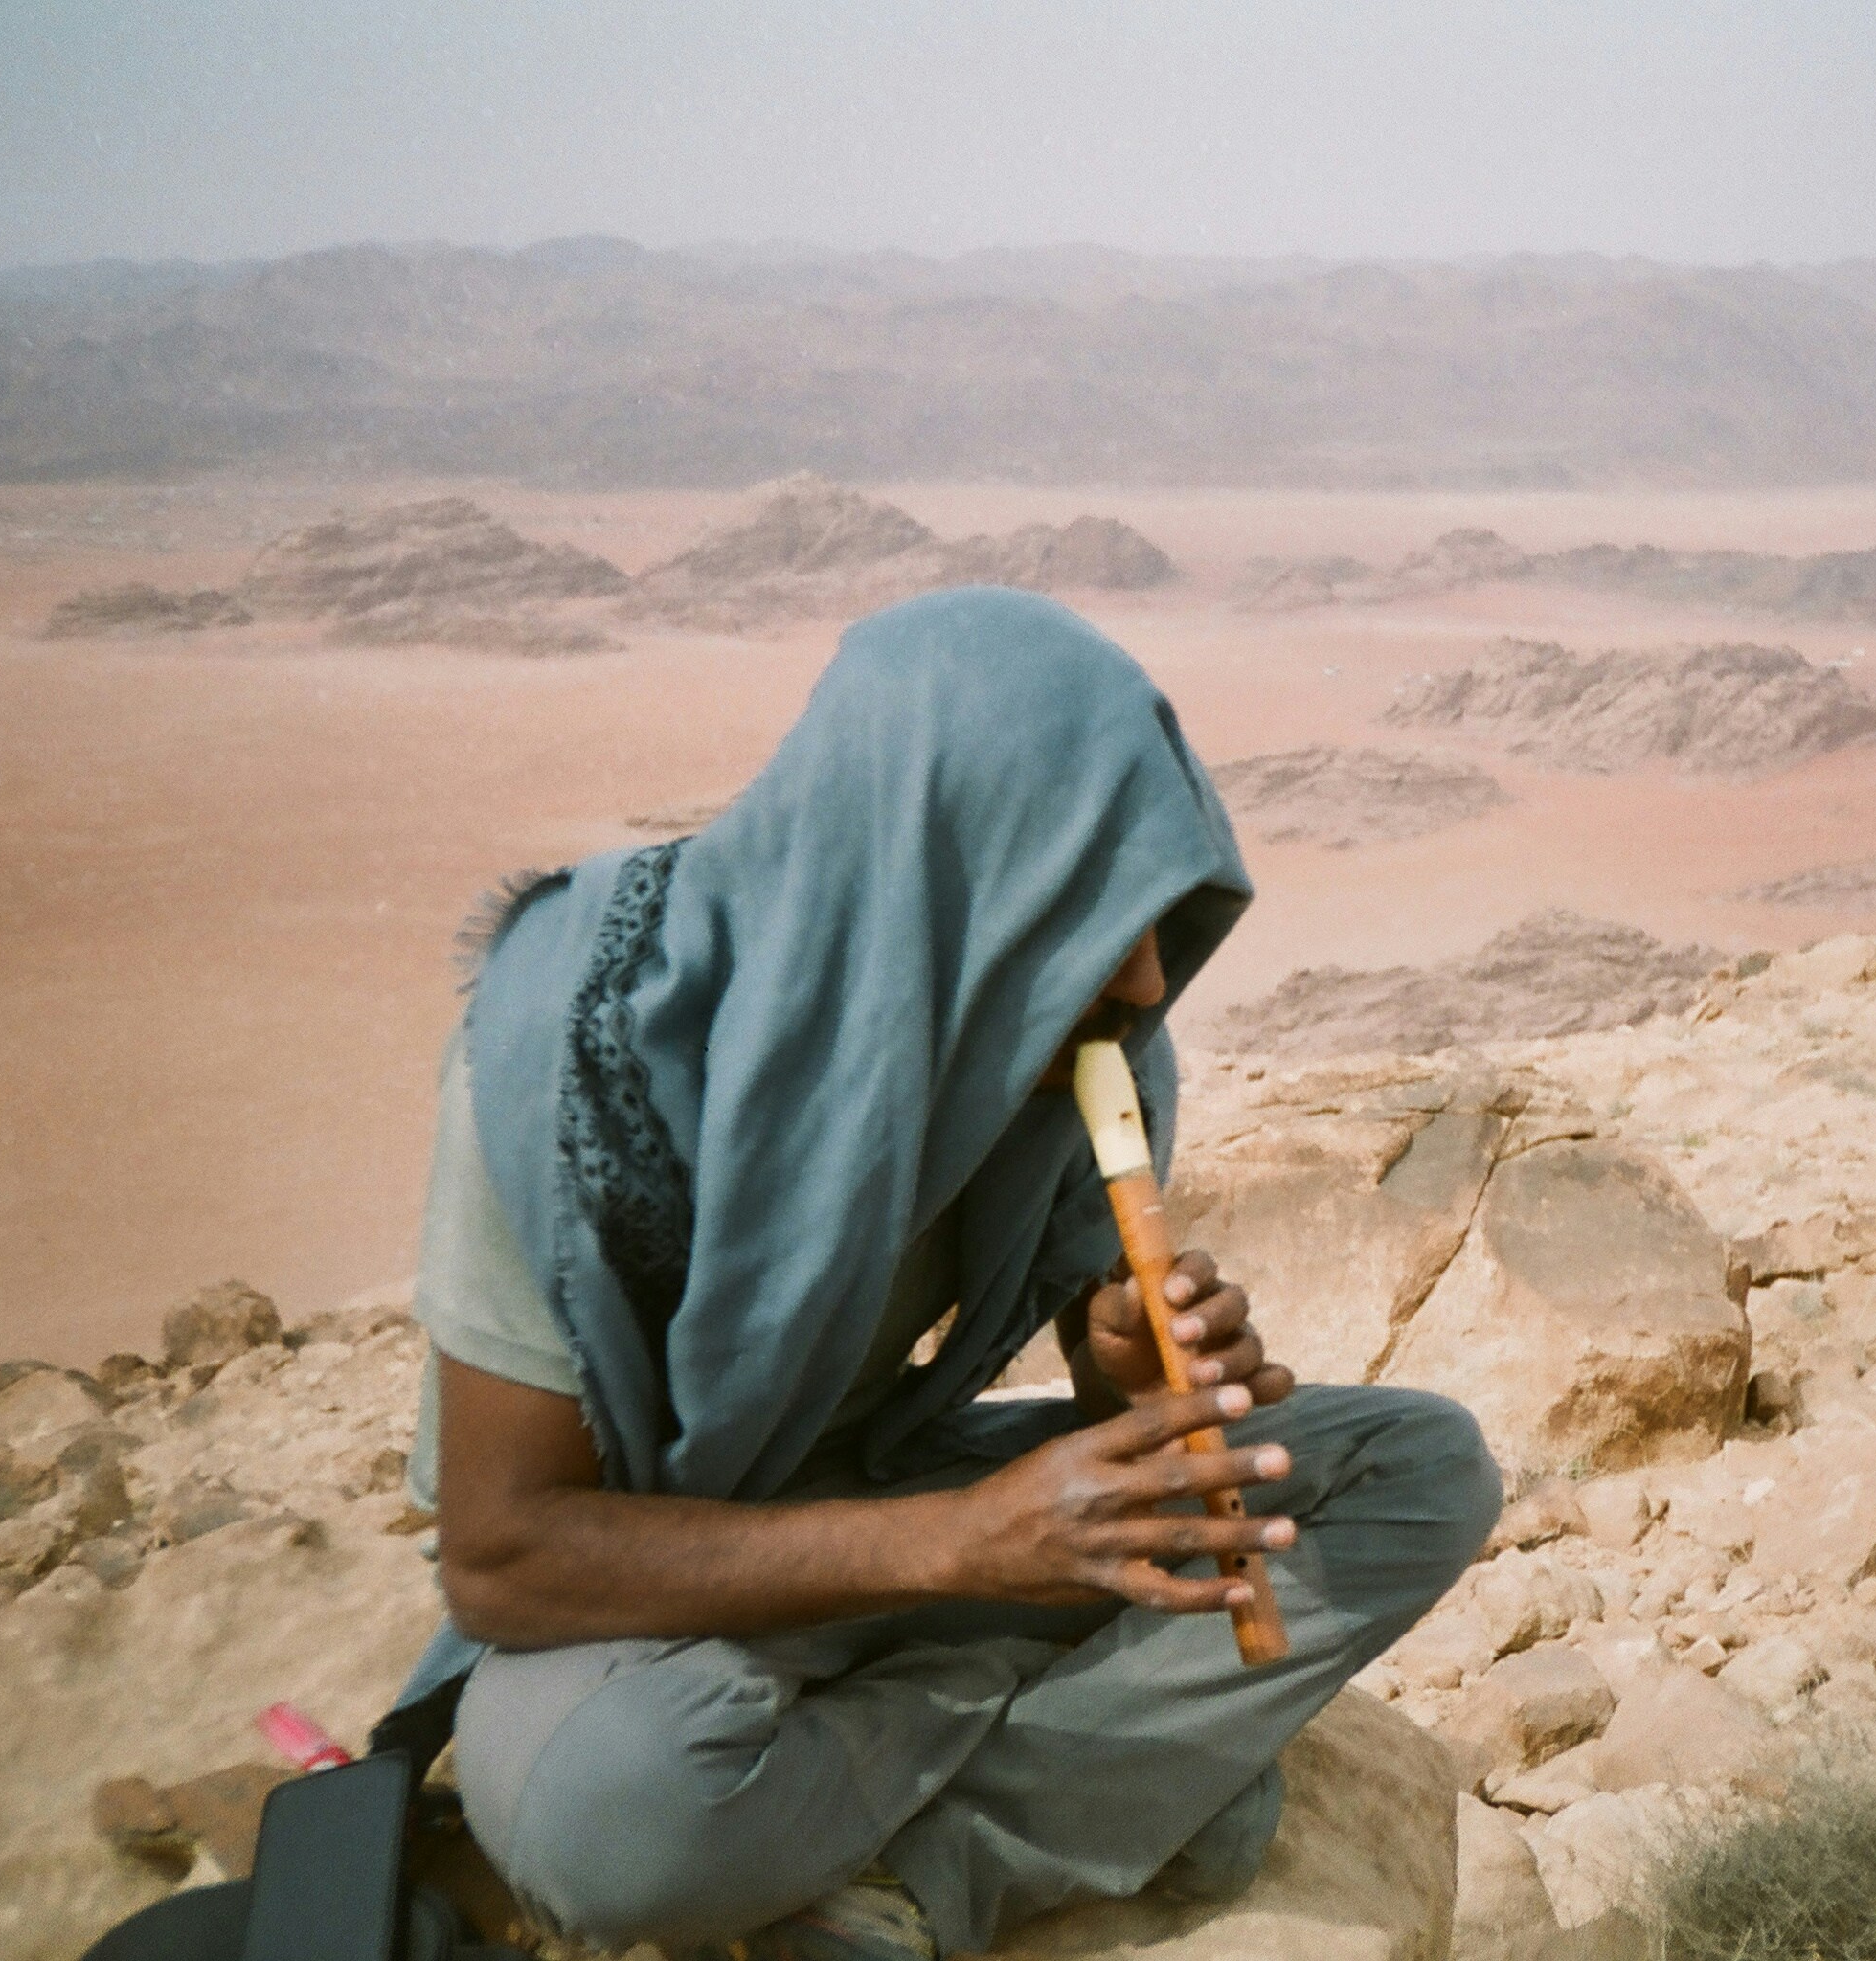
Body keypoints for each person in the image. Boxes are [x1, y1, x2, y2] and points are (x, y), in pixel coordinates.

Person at [388, 588, 1503, 1960]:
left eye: (1160, 922)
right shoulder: (576, 1063)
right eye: (1100, 923)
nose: (1152, 983)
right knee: (610, 1814)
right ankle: (1113, 1763)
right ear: (946, 889)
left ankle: (934, 1862)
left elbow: (1100, 1412)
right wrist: (966, 1549)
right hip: (657, 1577)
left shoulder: (1079, 1045)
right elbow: (503, 1561)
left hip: (892, 1496)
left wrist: (1123, 1374)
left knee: (1417, 1467)